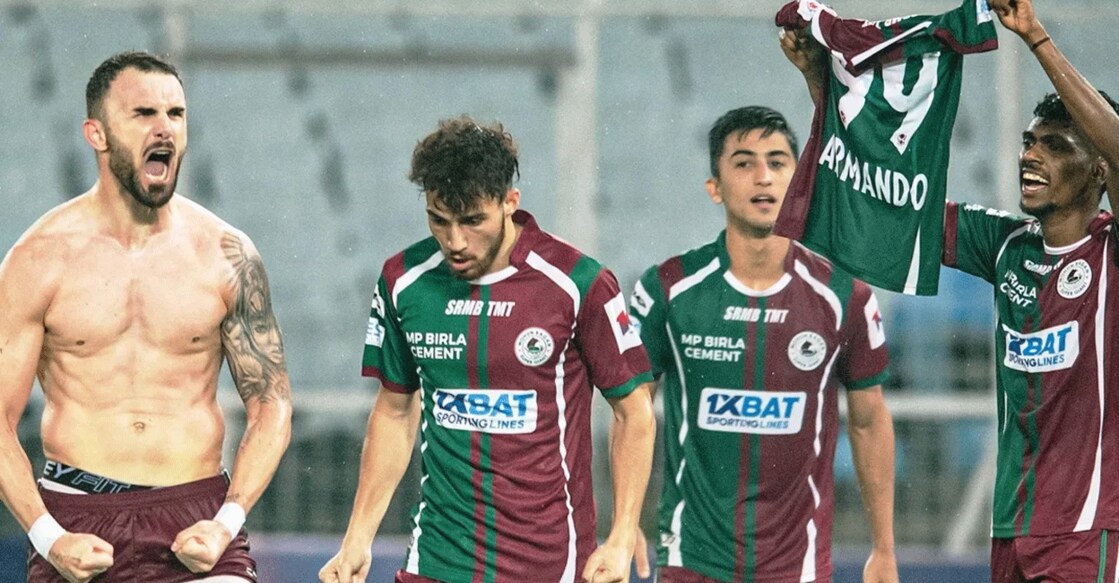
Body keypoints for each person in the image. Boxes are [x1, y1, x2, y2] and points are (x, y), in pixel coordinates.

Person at [784, 0, 1119, 579]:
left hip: (1088, 527)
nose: (1030, 155)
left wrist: (1036, 38)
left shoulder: (1110, 249)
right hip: (1010, 529)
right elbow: (890, 204)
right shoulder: (1008, 245)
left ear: (1099, 172)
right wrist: (823, 86)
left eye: (1055, 145)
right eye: (1028, 141)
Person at [318, 116, 656, 583]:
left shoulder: (579, 284)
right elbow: (395, 412)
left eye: (472, 220)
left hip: (550, 564)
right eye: (439, 219)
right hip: (438, 557)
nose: (455, 241)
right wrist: (358, 537)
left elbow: (634, 413)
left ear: (509, 203)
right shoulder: (403, 281)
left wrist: (621, 536)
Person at [0, 51, 292, 583]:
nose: (165, 129)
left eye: (176, 115)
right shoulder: (36, 259)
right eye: (144, 114)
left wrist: (227, 522)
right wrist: (50, 537)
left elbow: (271, 404)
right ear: (97, 133)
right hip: (76, 520)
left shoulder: (228, 254)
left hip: (198, 520)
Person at [627, 106, 898, 583]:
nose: (763, 177)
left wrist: (884, 547)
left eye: (777, 162)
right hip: (691, 559)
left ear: (799, 182)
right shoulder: (668, 290)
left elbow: (870, 421)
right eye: (744, 162)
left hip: (799, 565)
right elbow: (633, 413)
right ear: (715, 187)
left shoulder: (843, 298)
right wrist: (623, 524)